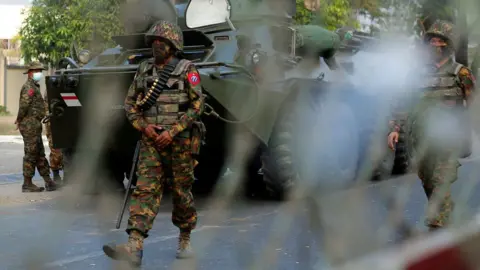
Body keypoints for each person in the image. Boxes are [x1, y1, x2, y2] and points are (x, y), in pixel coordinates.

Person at [102, 20, 205, 266]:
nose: (156, 44)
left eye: (162, 41)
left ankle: (185, 238)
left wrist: (174, 130)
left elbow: (198, 105)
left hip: (179, 143)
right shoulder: (144, 69)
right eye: (154, 41)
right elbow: (130, 106)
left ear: (173, 44)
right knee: (144, 191)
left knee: (182, 194)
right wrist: (145, 127)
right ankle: (134, 247)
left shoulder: (187, 69)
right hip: (151, 143)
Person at [387, 20, 476, 231]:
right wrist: (395, 129)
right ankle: (446, 215)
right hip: (421, 138)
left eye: (440, 41)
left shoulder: (461, 74)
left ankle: (438, 225)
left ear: (449, 44)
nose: (435, 45)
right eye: (431, 41)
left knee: (440, 179)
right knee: (428, 180)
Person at [15, 62, 59, 192]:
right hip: (29, 125)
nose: (40, 73)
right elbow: (24, 105)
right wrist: (18, 119)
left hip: (35, 125)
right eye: (37, 71)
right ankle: (27, 183)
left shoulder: (34, 86)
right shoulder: (28, 87)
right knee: (31, 153)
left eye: (40, 70)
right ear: (30, 72)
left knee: (40, 153)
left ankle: (48, 181)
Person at [44, 91, 64, 183]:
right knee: (55, 149)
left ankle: (67, 175)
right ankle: (56, 176)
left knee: (65, 150)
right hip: (53, 120)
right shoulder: (51, 89)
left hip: (63, 119)